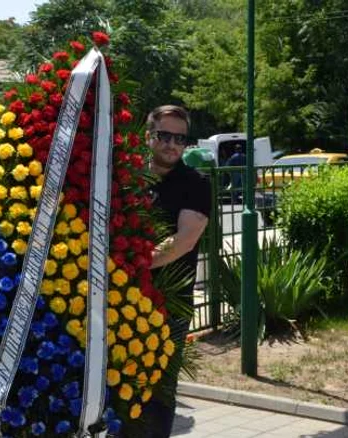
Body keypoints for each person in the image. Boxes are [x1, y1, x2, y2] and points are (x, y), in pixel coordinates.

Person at [137, 105, 211, 438]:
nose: (172, 144)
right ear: (148, 135)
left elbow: (184, 240)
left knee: (159, 394)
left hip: (170, 306)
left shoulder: (195, 183)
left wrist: (133, 263)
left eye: (179, 138)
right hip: (119, 300)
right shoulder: (128, 179)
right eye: (164, 135)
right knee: (119, 386)